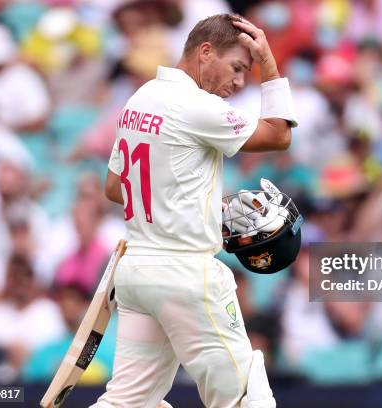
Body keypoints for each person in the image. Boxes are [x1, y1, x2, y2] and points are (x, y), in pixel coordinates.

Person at [95, 13, 296, 408]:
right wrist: (269, 62)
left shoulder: (141, 98)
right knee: (247, 399)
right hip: (186, 275)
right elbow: (280, 134)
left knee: (127, 403)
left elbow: (116, 187)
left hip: (136, 272)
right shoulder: (196, 105)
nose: (240, 82)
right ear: (205, 52)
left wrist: (195, 205)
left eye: (249, 71)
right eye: (238, 67)